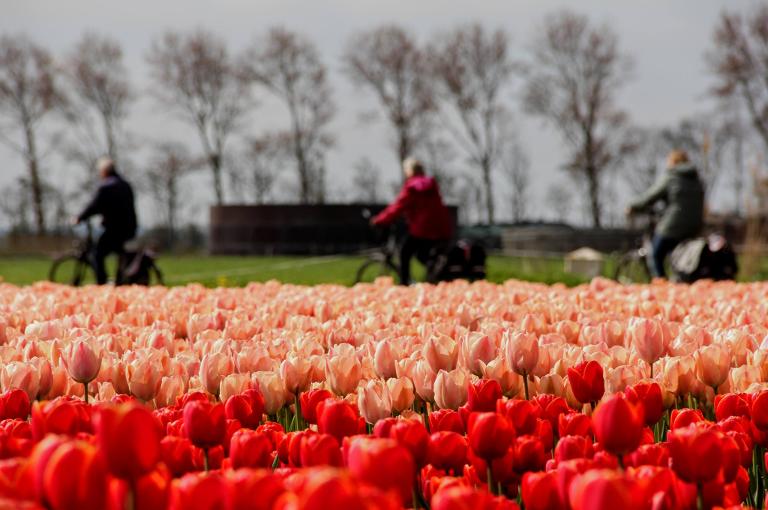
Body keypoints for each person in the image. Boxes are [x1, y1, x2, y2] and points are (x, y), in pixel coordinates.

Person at [371, 158, 453, 285]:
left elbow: (398, 206)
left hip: (422, 227)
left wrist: (379, 220)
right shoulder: (431, 184)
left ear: (410, 171)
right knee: (423, 255)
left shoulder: (412, 187)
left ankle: (405, 283)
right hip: (440, 227)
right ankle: (439, 274)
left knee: (405, 251)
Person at [627, 150, 704, 278]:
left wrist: (632, 206)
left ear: (673, 162)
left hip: (674, 224)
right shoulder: (695, 179)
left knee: (656, 254)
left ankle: (661, 284)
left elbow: (650, 196)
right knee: (679, 257)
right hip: (694, 226)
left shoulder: (672, 176)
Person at [73, 158, 137, 284]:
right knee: (118, 251)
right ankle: (119, 279)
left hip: (114, 229)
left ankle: (102, 283)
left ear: (104, 171)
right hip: (129, 228)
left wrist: (80, 217)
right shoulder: (125, 184)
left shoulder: (106, 186)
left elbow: (94, 205)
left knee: (97, 254)